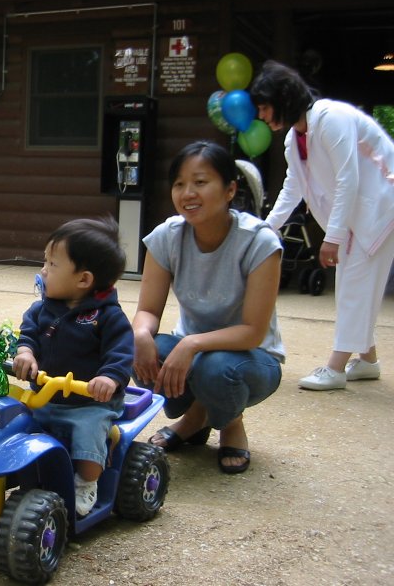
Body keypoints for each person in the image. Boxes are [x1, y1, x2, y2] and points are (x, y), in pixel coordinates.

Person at [132, 141, 284, 474]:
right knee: (140, 350)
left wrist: (191, 343)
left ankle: (229, 423)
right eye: (179, 184)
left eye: (200, 182)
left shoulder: (259, 242)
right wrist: (140, 333)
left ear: (230, 190)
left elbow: (253, 332)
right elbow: (148, 311)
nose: (188, 193)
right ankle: (198, 416)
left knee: (215, 368)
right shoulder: (166, 237)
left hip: (252, 358)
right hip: (195, 355)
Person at [250, 60, 394, 391]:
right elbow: (293, 187)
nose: (261, 115)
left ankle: (336, 368)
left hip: (380, 207)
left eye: (264, 107)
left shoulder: (331, 118)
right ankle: (368, 360)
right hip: (361, 215)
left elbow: (348, 179)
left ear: (283, 100)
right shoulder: (294, 139)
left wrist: (333, 238)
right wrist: (266, 228)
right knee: (354, 285)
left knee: (353, 286)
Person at [12, 217, 134, 516]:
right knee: (12, 422)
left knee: (89, 431)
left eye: (52, 264)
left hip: (88, 403)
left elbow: (120, 354)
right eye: (45, 261)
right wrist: (25, 352)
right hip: (44, 397)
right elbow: (28, 336)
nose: (43, 270)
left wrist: (109, 378)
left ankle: (86, 482)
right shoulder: (40, 309)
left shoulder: (108, 317)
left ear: (83, 280)